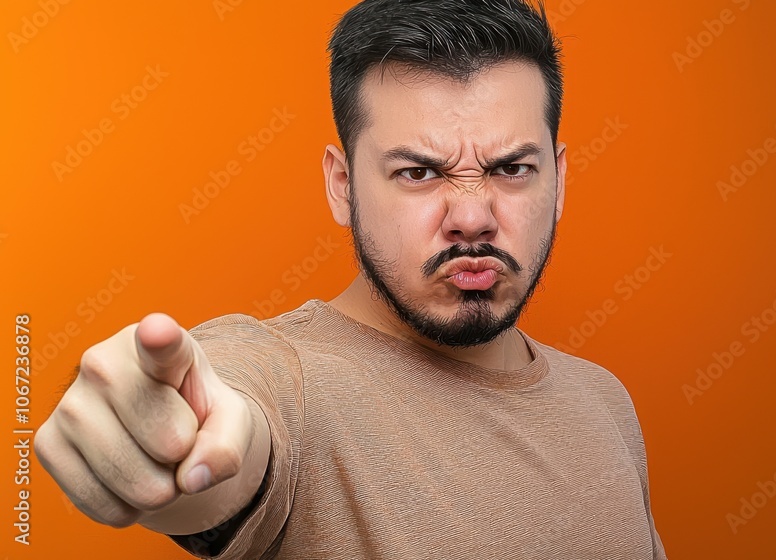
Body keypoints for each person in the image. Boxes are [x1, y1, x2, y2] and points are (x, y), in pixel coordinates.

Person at [36, 0, 667, 558]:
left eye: (512, 169)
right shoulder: (290, 380)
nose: (473, 217)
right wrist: (157, 428)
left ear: (558, 181)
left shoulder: (604, 400)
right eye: (418, 173)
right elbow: (230, 424)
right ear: (342, 187)